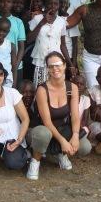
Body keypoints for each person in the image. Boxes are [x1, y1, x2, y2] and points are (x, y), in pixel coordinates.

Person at [26, 52, 92, 181]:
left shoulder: (71, 88)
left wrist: (74, 136)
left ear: (64, 65)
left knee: (85, 147)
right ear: (47, 69)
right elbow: (47, 122)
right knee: (43, 134)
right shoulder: (42, 90)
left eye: (58, 65)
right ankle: (35, 161)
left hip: (63, 128)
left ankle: (61, 154)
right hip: (43, 128)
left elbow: (75, 116)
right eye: (51, 66)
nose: (55, 69)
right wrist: (63, 142)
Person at [27, 0, 69, 87]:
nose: (53, 6)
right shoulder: (37, 19)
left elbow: (63, 45)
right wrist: (42, 23)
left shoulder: (61, 21)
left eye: (56, 4)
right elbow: (29, 39)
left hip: (56, 61)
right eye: (50, 3)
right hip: (41, 60)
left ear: (58, 5)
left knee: (56, 88)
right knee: (40, 87)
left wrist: (70, 63)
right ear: (45, 4)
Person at [23, 0, 46, 80]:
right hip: (29, 50)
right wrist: (30, 19)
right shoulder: (25, 15)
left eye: (38, 1)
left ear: (43, 3)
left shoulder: (47, 15)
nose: (35, 4)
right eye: (33, 1)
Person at [59, 0, 79, 77]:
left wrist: (73, 64)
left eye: (65, 3)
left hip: (70, 58)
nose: (63, 5)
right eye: (61, 2)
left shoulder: (71, 20)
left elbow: (75, 44)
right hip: (58, 57)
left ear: (69, 5)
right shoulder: (53, 19)